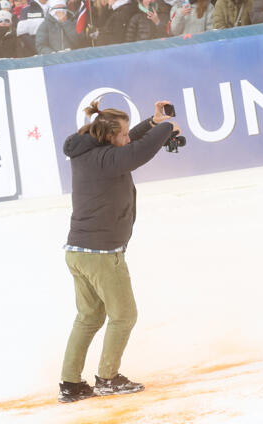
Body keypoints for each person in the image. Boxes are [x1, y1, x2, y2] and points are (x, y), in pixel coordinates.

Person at [58, 99, 179, 403]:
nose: (127, 138)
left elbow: (131, 144)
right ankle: (107, 379)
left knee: (88, 318)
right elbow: (136, 152)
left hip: (78, 251)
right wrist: (167, 128)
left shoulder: (89, 152)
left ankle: (70, 384)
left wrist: (152, 124)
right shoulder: (106, 160)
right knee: (124, 316)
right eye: (123, 134)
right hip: (101, 255)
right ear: (109, 136)